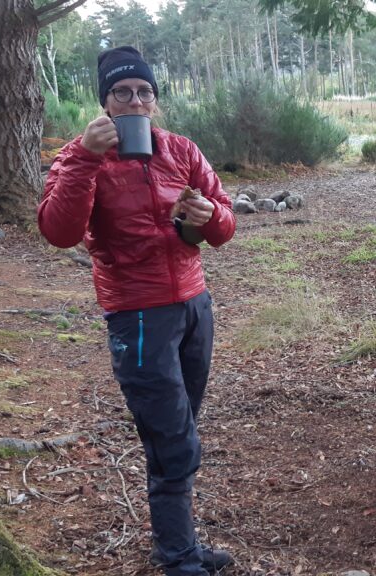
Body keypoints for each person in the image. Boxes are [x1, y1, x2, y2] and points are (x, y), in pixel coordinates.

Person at [38, 46, 236, 576]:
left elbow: (222, 229)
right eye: (122, 93)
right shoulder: (80, 157)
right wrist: (83, 155)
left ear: (155, 101)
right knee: (171, 435)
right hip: (138, 313)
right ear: (105, 103)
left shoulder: (181, 150)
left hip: (194, 305)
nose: (134, 101)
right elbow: (58, 233)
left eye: (144, 92)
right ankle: (178, 558)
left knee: (180, 425)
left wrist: (209, 212)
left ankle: (178, 542)